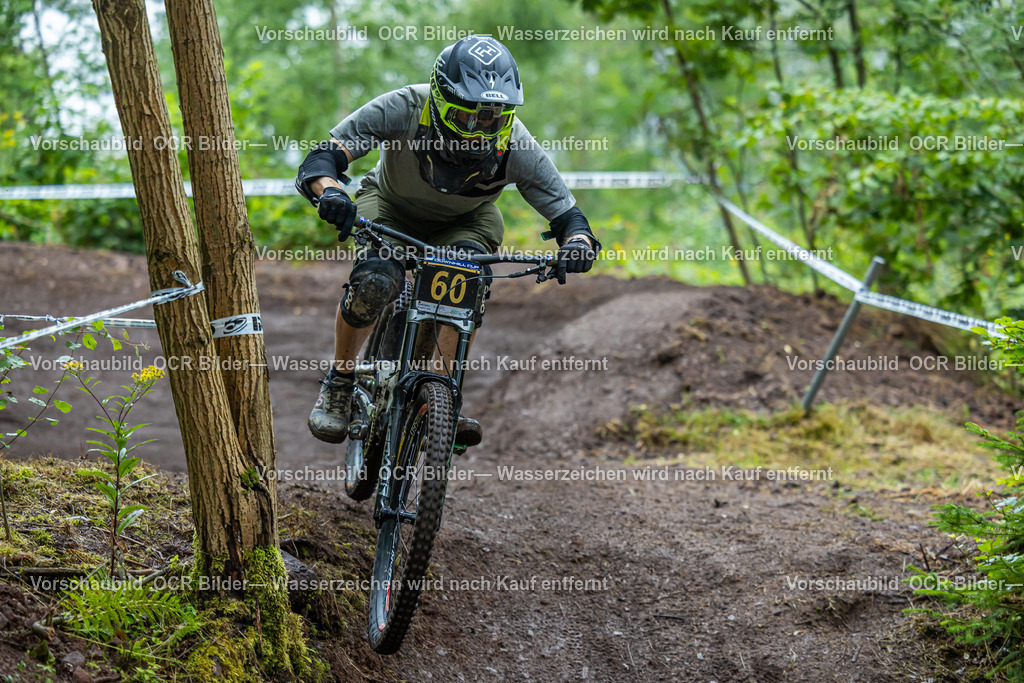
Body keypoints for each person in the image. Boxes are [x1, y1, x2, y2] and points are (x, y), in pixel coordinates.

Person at [295, 35, 600, 447]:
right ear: (438, 101)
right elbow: (323, 157)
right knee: (376, 281)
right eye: (466, 116)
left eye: (493, 118)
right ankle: (341, 379)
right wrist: (330, 192)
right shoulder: (403, 106)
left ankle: (441, 397)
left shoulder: (517, 143)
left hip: (467, 222)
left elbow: (569, 217)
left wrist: (578, 244)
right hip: (389, 205)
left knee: (464, 279)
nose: (479, 130)